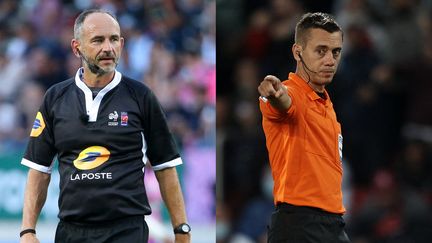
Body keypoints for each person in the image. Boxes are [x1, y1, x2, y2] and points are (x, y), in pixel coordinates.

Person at [19, 9, 191, 243]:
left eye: (113, 39)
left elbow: (166, 167)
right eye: (98, 40)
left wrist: (181, 230)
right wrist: (28, 230)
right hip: (71, 231)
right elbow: (39, 169)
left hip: (126, 231)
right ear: (76, 47)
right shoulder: (55, 98)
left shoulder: (140, 96)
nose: (108, 47)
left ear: (121, 43)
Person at [257, 12, 350, 242]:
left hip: (333, 225)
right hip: (299, 225)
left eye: (335, 52)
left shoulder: (327, 105)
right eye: (321, 51)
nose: (330, 60)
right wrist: (276, 94)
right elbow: (284, 102)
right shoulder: (294, 93)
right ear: (298, 52)